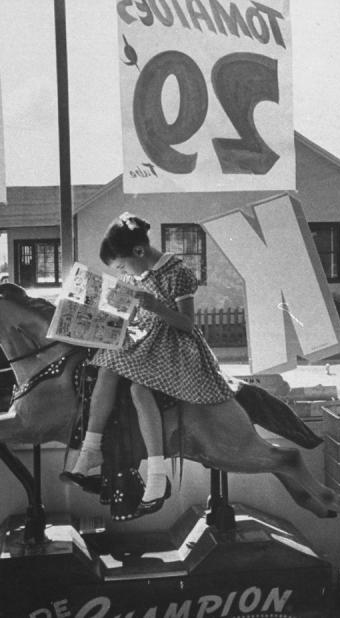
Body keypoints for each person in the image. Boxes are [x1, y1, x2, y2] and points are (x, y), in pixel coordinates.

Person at [65, 213, 234, 517]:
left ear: (139, 252)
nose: (122, 272)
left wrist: (155, 306)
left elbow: (187, 324)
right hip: (144, 340)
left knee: (140, 392)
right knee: (105, 366)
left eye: (122, 265)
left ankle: (157, 475)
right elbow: (130, 315)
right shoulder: (134, 276)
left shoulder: (176, 272)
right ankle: (91, 448)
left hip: (175, 346)